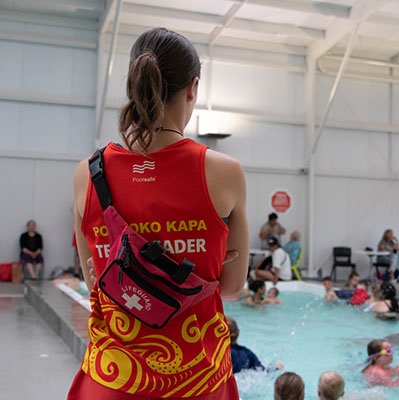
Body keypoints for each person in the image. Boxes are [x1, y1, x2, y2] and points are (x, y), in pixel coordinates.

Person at [69, 27, 249, 400]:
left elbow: (96, 281)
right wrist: (203, 263)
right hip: (197, 379)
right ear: (192, 88)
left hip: (112, 379)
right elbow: (231, 285)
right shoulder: (224, 173)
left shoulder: (88, 172)